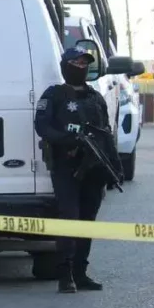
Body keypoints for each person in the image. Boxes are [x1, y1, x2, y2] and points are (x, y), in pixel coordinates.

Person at [34, 46, 123, 294]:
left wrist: (115, 165)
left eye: (85, 64)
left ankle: (81, 273)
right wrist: (68, 140)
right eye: (77, 63)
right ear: (65, 66)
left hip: (93, 166)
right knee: (69, 217)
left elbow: (106, 133)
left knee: (88, 221)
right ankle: (65, 274)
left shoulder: (95, 98)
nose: (81, 68)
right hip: (66, 165)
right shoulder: (54, 95)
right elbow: (42, 127)